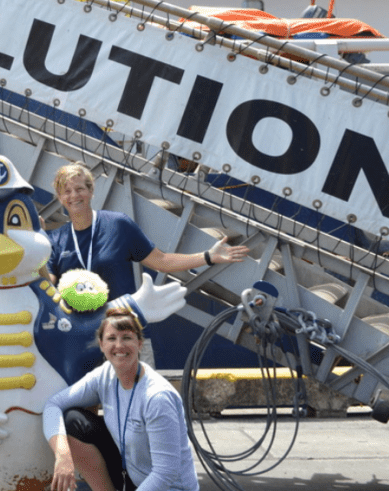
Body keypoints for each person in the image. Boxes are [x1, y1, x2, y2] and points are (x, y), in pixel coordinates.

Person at [43, 307, 199, 491]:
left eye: (126, 337)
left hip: (168, 487)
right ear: (101, 344)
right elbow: (53, 405)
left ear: (139, 343)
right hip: (131, 477)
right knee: (72, 421)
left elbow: (166, 473)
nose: (119, 346)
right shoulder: (105, 375)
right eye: (111, 338)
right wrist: (63, 456)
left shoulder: (157, 397)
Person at [47, 162, 248, 300]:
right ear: (60, 197)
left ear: (91, 191)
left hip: (124, 334)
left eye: (80, 189)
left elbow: (161, 261)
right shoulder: (56, 240)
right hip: (79, 340)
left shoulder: (118, 225)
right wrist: (32, 239)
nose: (74, 195)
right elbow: (46, 283)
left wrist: (208, 256)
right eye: (67, 191)